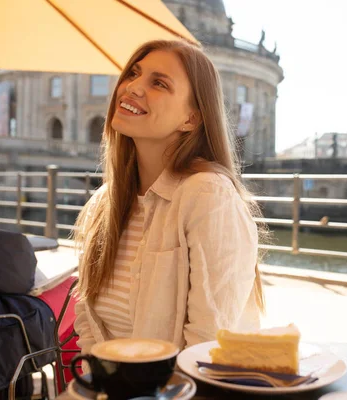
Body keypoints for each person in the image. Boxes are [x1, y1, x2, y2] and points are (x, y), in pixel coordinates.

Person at [73, 39, 268, 355]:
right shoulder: (104, 203)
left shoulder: (207, 195)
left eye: (158, 83)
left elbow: (207, 347)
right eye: (133, 73)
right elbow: (88, 323)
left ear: (191, 119)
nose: (132, 87)